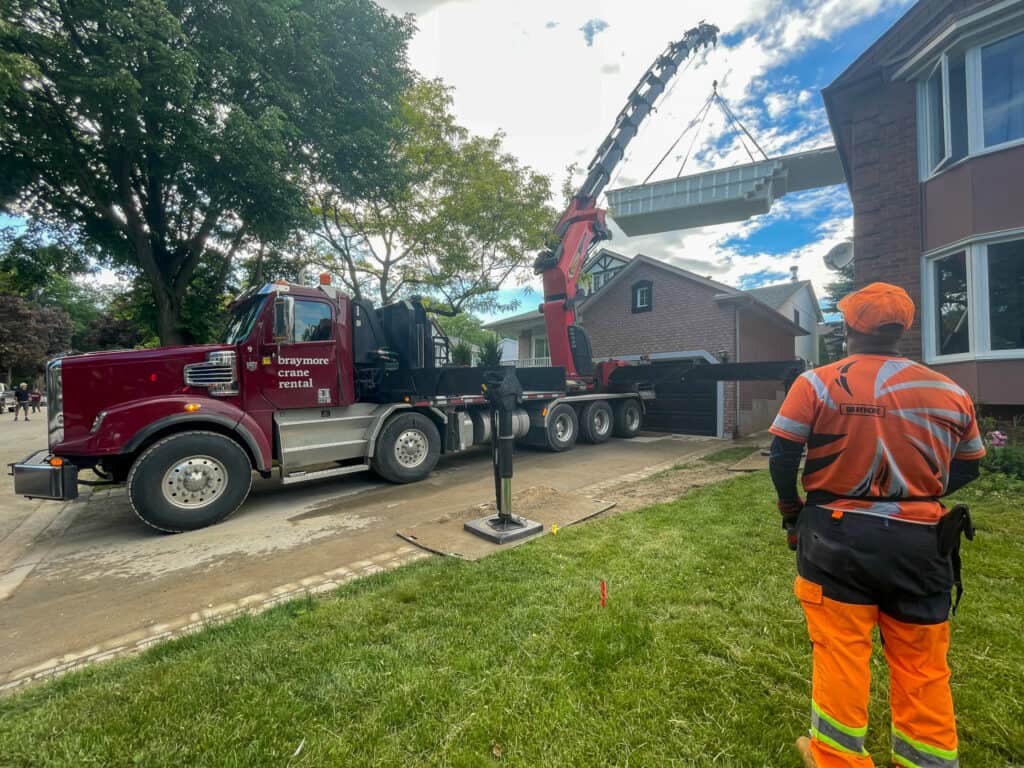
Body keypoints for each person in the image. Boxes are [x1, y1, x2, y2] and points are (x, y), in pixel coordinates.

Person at [768, 282, 984, 768]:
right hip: (923, 542)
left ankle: (837, 759)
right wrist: (916, 492)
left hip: (835, 536)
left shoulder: (817, 383)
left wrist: (791, 510)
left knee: (841, 654)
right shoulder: (951, 391)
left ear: (847, 328)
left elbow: (783, 455)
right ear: (902, 331)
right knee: (923, 667)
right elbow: (971, 464)